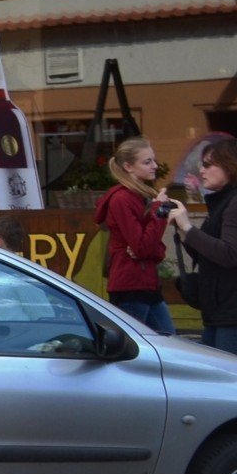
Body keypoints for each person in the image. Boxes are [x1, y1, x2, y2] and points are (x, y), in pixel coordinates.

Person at [166, 137, 237, 359]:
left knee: (234, 388)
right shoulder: (227, 201)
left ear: (230, 167)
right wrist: (182, 228)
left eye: (208, 165)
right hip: (222, 313)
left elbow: (229, 254)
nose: (201, 170)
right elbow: (207, 254)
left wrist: (188, 228)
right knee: (219, 385)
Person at [96, 136, 175, 334]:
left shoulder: (140, 196)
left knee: (170, 344)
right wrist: (160, 210)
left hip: (146, 283)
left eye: (153, 160)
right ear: (128, 166)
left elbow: (155, 250)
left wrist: (148, 248)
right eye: (147, 162)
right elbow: (143, 247)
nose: (155, 166)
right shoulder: (122, 199)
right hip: (130, 286)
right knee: (139, 350)